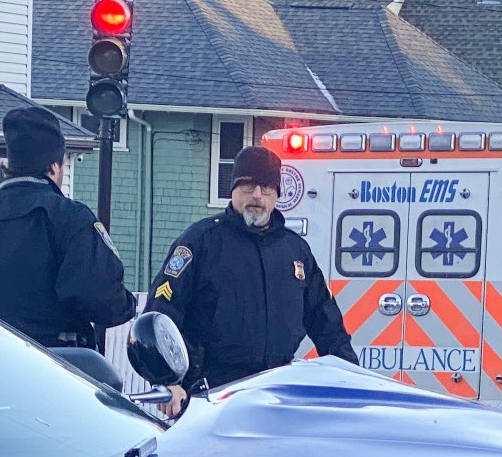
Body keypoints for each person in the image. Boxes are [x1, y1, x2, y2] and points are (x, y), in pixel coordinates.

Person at [146, 144, 355, 410]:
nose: (257, 195)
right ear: (232, 190)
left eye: (266, 188)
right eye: (247, 186)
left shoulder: (295, 250)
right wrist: (167, 380)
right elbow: (160, 316)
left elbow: (326, 323)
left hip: (277, 394)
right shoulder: (200, 243)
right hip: (210, 395)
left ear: (277, 194)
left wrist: (350, 376)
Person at [0, 105, 134, 349]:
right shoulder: (70, 219)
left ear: (9, 163)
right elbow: (101, 299)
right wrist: (128, 304)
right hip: (53, 370)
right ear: (54, 166)